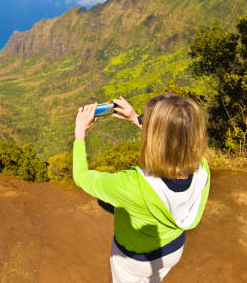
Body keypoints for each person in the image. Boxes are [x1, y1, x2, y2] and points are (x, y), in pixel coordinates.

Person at [73, 94, 210, 283]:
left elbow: (81, 176)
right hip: (174, 248)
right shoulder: (202, 168)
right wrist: (135, 118)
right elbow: (174, 141)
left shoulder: (133, 185)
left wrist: (80, 133)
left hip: (135, 261)